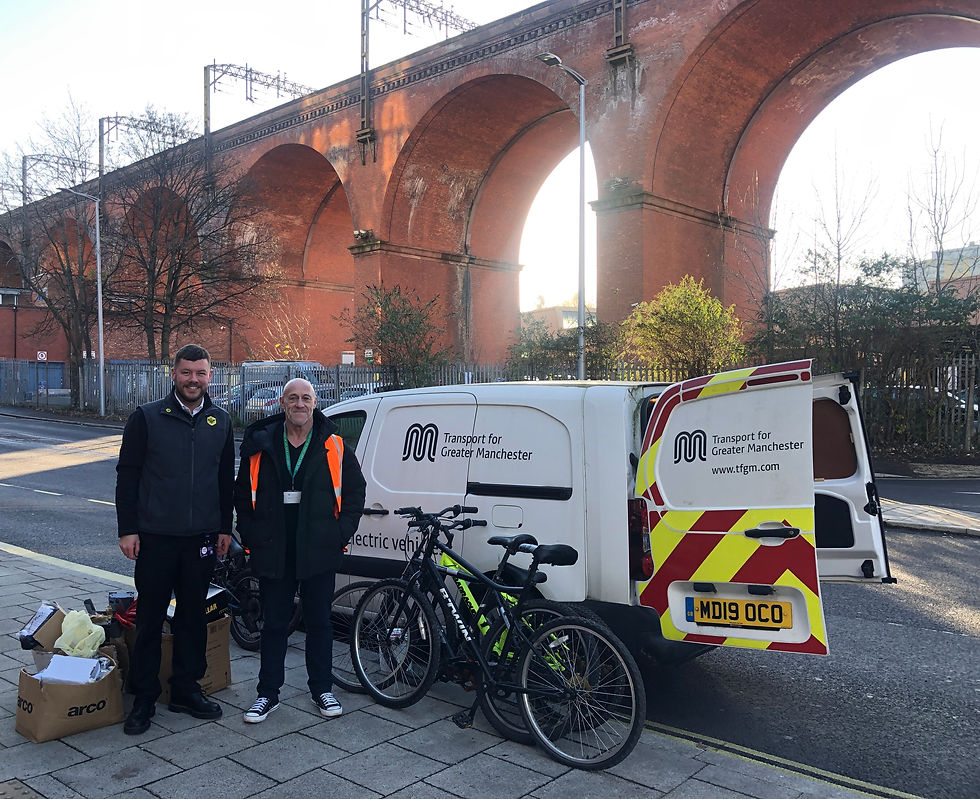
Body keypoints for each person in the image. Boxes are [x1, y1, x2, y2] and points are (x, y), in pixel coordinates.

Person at [116, 344, 234, 735]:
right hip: (155, 538)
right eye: (187, 373)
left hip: (200, 538)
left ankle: (186, 688)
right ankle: (144, 697)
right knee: (149, 619)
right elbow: (127, 475)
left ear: (210, 376)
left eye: (201, 373)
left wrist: (223, 528)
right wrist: (127, 528)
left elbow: (223, 481)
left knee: (192, 618)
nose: (193, 380)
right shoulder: (147, 417)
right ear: (173, 373)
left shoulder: (221, 420)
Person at [234, 377, 366, 723]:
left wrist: (339, 534)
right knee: (275, 623)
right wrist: (250, 536)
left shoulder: (334, 445)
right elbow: (241, 496)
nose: (299, 404)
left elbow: (355, 494)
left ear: (315, 402)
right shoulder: (261, 445)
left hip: (318, 550)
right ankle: (267, 694)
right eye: (292, 398)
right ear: (281, 403)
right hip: (274, 549)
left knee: (320, 623)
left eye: (305, 398)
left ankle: (322, 689)